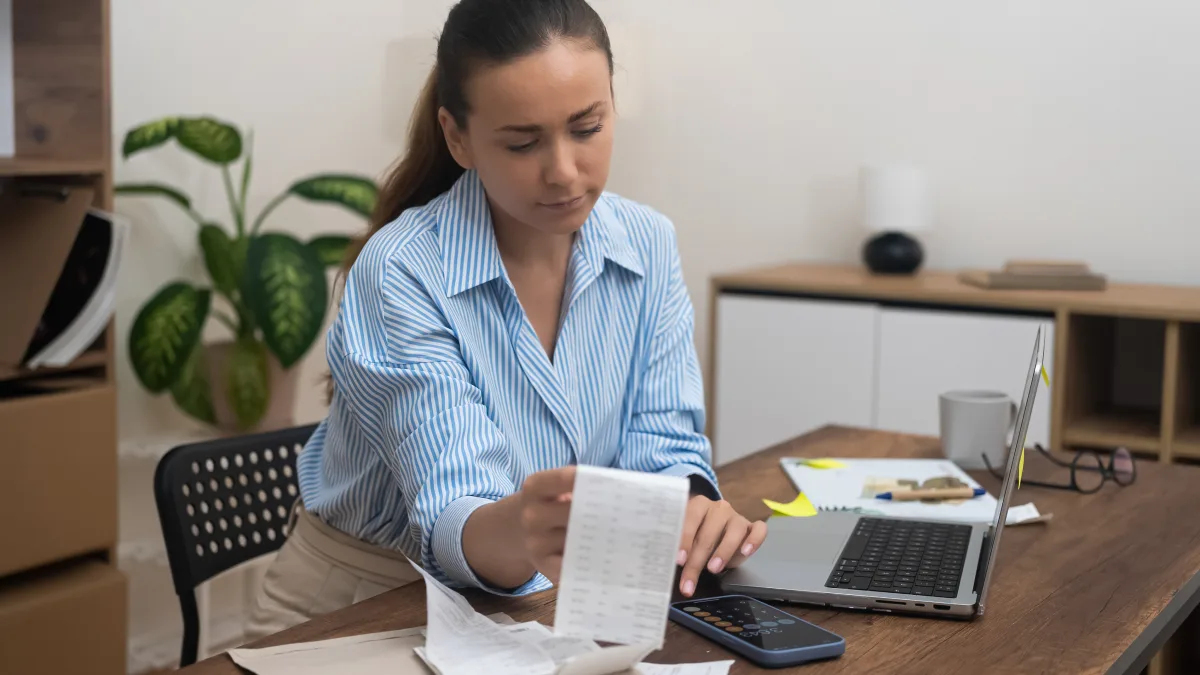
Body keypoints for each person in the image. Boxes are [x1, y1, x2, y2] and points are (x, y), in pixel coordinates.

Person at [246, 0, 767, 640]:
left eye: (587, 127)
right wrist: (529, 522)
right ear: (457, 136)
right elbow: (454, 507)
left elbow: (663, 444)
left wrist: (689, 508)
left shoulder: (647, 242)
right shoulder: (402, 268)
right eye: (522, 142)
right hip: (364, 606)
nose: (564, 172)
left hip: (543, 607)